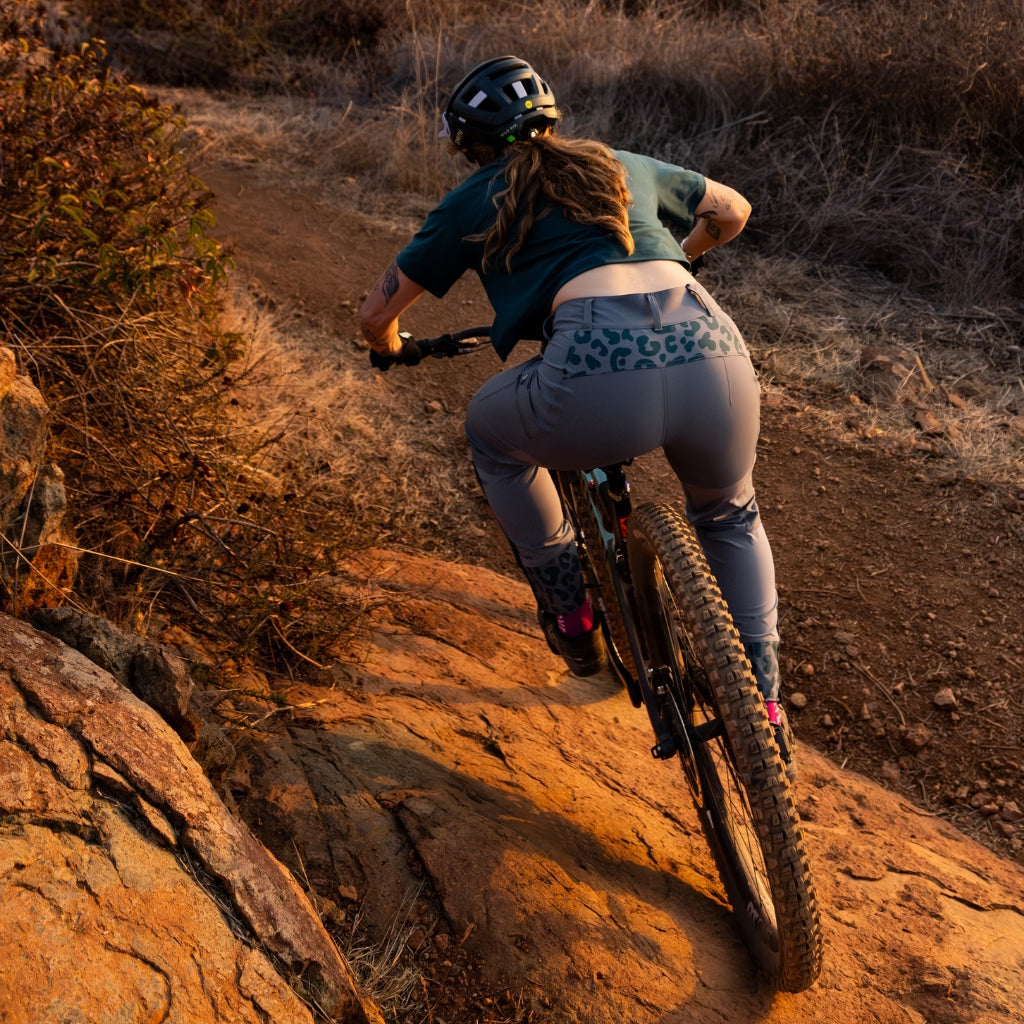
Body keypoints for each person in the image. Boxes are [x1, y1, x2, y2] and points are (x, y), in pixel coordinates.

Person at [359, 55, 793, 772]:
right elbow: (734, 211)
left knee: (492, 436)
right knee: (729, 513)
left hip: (595, 369)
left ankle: (573, 615)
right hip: (713, 344)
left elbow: (376, 312)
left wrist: (393, 347)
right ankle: (766, 704)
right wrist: (683, 254)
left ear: (470, 145)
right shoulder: (616, 163)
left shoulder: (475, 197)